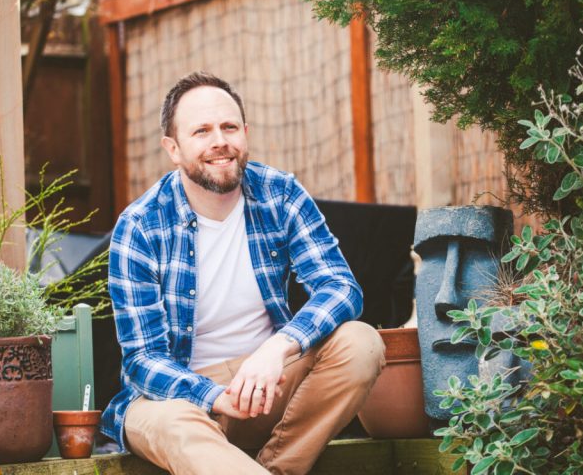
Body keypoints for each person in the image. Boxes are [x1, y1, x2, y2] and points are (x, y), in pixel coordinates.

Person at [100, 71, 385, 475]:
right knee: (174, 424)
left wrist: (277, 347)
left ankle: (277, 467)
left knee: (361, 342)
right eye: (201, 131)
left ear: (245, 133)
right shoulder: (141, 225)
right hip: (178, 401)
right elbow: (143, 360)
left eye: (229, 127)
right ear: (173, 149)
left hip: (265, 383)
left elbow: (340, 287)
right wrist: (213, 395)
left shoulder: (279, 193)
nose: (220, 141)